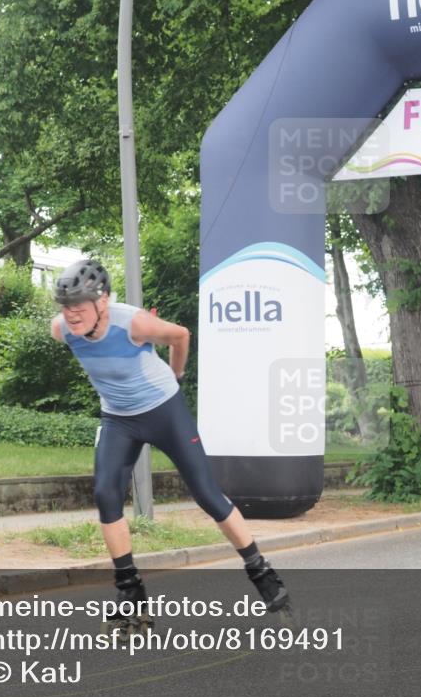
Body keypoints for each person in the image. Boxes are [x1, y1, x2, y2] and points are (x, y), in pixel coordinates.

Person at [50, 259, 288, 636]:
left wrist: (176, 375)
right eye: (66, 308)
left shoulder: (135, 323)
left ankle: (263, 573)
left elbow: (180, 335)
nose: (71, 316)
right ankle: (131, 595)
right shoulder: (62, 330)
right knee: (105, 494)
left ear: (104, 302)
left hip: (164, 410)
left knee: (207, 494)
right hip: (118, 419)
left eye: (79, 307)